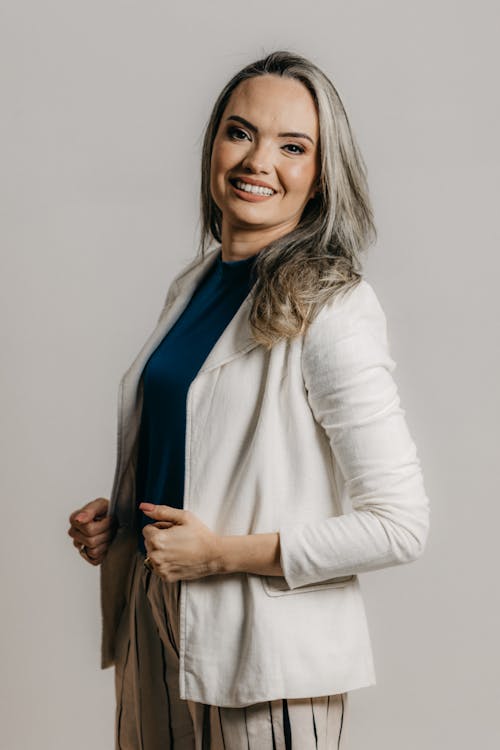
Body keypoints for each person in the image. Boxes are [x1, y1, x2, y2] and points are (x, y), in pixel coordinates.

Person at [67, 50, 430, 749]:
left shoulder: (334, 306)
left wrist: (221, 555)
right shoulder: (195, 284)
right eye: (241, 133)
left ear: (322, 176)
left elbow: (400, 524)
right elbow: (211, 451)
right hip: (152, 612)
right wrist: (117, 520)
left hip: (265, 650)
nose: (258, 160)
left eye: (292, 146)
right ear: (213, 146)